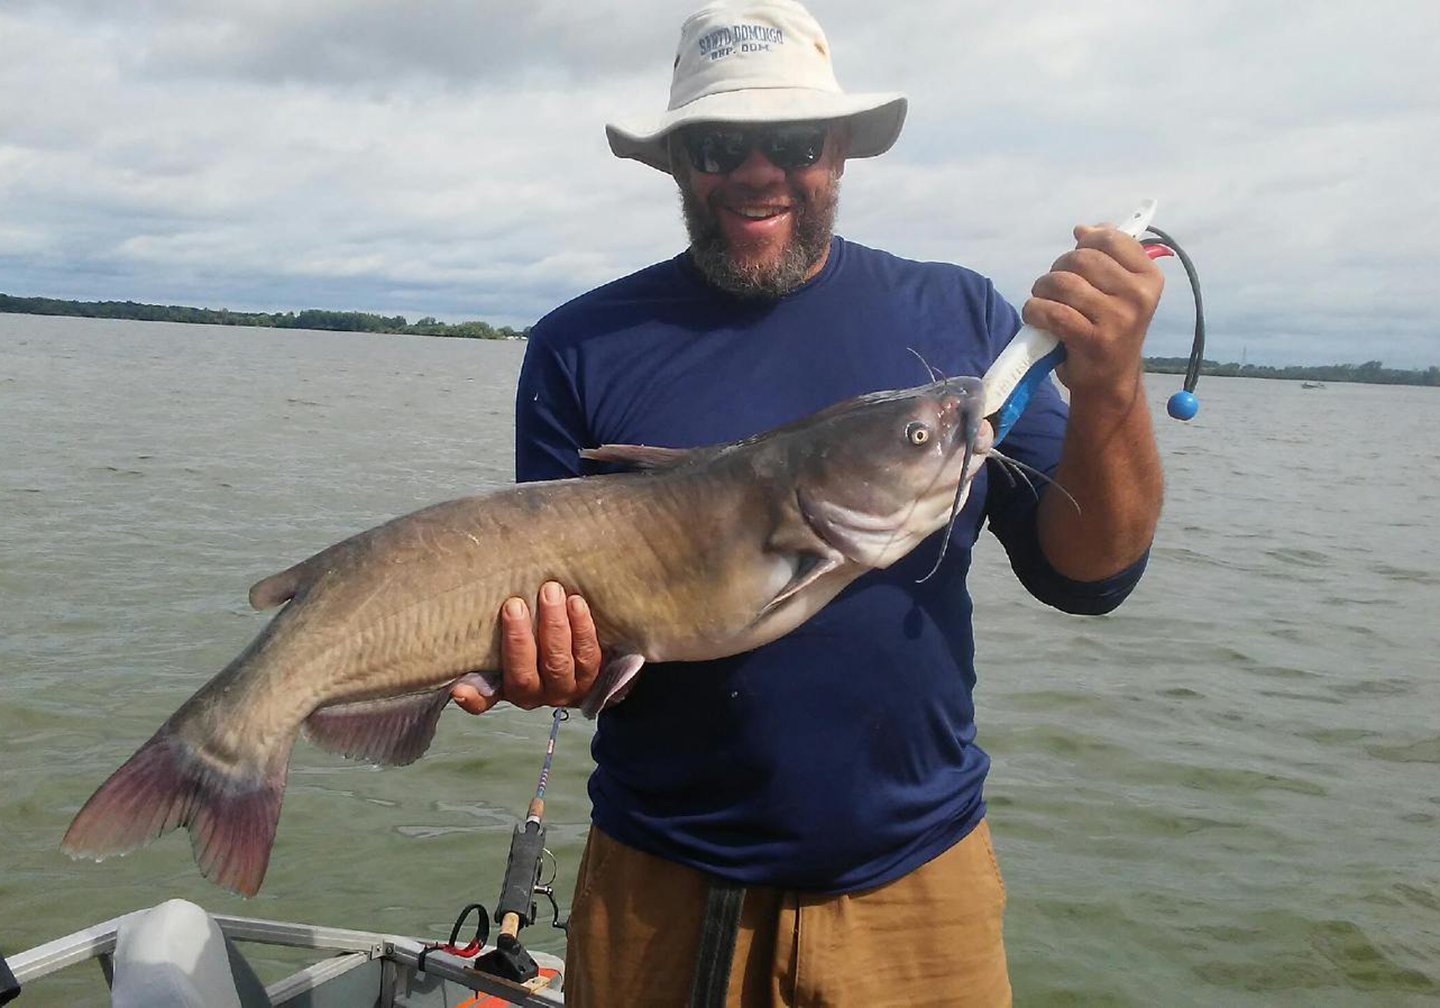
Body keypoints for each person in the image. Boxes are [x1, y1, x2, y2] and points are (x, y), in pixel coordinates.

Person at [451, 1, 1164, 1004]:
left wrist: (1113, 386)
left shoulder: (960, 318)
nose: (754, 171)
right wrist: (542, 667)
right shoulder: (578, 345)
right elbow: (561, 626)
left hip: (920, 891)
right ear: (677, 161)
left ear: (839, 151)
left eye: (790, 141)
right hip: (658, 886)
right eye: (717, 144)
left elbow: (1090, 575)